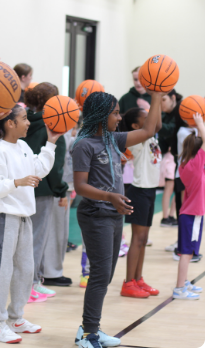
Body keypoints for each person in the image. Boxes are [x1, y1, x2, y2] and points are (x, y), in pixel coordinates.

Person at [70, 90, 163, 348]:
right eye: (115, 113)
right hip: (94, 214)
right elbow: (80, 186)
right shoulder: (84, 144)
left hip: (113, 214)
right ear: (101, 116)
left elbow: (148, 131)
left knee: (106, 275)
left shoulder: (113, 139)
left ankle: (89, 330)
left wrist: (157, 96)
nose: (119, 117)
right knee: (100, 275)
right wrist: (110, 196)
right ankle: (89, 333)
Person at [0, 104, 62, 343]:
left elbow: (40, 169)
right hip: (6, 217)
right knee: (2, 271)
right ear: (10, 123)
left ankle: (16, 317)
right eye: (24, 119)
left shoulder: (24, 146)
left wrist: (51, 142)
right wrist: (17, 182)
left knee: (26, 270)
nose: (28, 123)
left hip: (25, 216)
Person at [20, 83, 72, 295]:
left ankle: (30, 281)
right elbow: (54, 167)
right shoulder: (52, 126)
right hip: (41, 190)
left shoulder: (22, 121)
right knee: (37, 237)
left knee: (23, 239)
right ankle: (31, 284)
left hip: (20, 187)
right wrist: (61, 190)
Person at [118, 106, 164, 299]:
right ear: (137, 126)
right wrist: (155, 98)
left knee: (144, 239)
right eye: (146, 117)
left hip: (150, 191)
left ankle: (138, 279)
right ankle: (128, 283)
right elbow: (153, 126)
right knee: (137, 240)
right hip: (139, 191)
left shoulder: (151, 137)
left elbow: (158, 124)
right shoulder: (138, 139)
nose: (151, 119)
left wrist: (158, 99)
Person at [172, 131, 203, 300]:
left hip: (190, 215)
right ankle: (179, 289)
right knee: (186, 253)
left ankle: (183, 283)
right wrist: (200, 123)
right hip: (192, 216)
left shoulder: (185, 164)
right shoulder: (196, 165)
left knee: (189, 252)